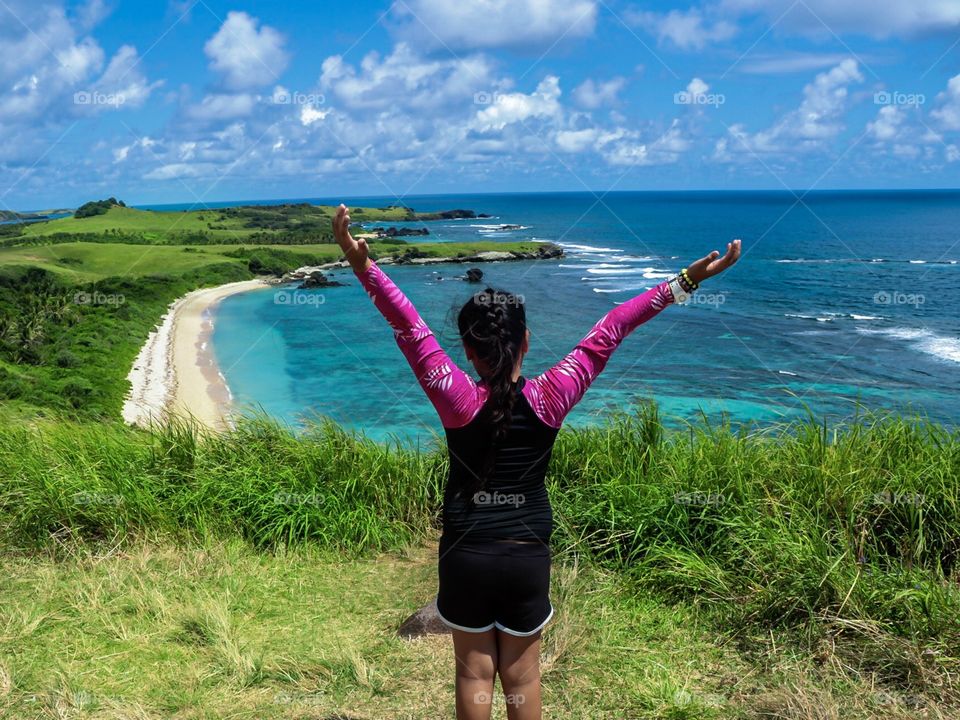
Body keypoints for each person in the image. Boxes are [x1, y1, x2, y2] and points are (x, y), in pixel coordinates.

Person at [332, 204, 741, 720]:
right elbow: (612, 328)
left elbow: (409, 326)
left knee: (473, 672)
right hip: (527, 556)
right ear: (526, 341)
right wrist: (684, 281)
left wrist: (360, 264)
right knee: (523, 676)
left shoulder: (455, 397)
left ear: (468, 350)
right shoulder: (553, 395)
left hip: (465, 555)